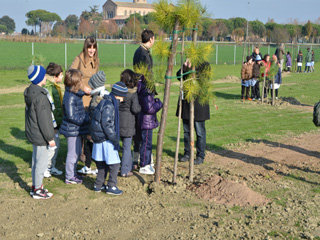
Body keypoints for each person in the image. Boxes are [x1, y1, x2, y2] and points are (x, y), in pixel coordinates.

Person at [91, 82, 128, 195]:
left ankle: (98, 184)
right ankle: (111, 186)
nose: (122, 100)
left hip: (99, 137)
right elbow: (107, 125)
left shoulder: (106, 101)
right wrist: (114, 139)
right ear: (118, 95)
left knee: (102, 163)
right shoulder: (109, 105)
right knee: (115, 164)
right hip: (106, 139)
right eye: (122, 97)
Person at [25, 65, 55, 199]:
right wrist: (50, 138)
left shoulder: (30, 92)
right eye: (43, 75)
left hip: (34, 133)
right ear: (39, 78)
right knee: (41, 163)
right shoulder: (41, 97)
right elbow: (44, 120)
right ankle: (37, 190)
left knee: (35, 162)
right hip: (41, 135)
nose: (45, 77)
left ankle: (36, 186)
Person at [70, 37, 99, 164]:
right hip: (81, 97)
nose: (91, 50)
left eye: (94, 47)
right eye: (89, 47)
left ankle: (89, 152)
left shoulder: (96, 60)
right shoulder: (79, 59)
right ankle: (80, 152)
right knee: (81, 126)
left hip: (93, 97)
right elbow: (70, 75)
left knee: (91, 126)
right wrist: (82, 87)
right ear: (85, 47)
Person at [176, 60, 211, 165]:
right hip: (186, 104)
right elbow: (179, 76)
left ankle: (200, 155)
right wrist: (185, 68)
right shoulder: (187, 65)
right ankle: (187, 153)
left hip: (199, 105)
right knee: (186, 132)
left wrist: (194, 72)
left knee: (200, 132)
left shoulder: (204, 64)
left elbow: (205, 80)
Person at [59, 69, 90, 184]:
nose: (82, 82)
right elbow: (72, 117)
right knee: (72, 154)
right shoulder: (70, 97)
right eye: (80, 80)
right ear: (75, 82)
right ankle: (69, 176)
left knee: (77, 152)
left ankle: (73, 173)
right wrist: (86, 118)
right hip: (71, 130)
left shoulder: (74, 93)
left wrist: (85, 93)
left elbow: (78, 94)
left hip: (75, 130)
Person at [78, 71, 109, 175]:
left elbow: (93, 117)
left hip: (95, 131)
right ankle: (91, 166)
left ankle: (92, 167)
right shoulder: (105, 95)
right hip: (103, 130)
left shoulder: (96, 100)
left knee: (90, 147)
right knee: (93, 148)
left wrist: (90, 133)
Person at [132, 29, 155, 168]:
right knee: (144, 127)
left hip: (140, 90)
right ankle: (144, 161)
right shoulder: (143, 54)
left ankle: (136, 158)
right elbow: (145, 76)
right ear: (151, 39)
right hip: (144, 92)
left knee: (138, 128)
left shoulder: (138, 51)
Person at [137, 75, 163, 174]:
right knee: (146, 143)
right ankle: (144, 165)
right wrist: (159, 103)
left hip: (144, 120)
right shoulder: (147, 93)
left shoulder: (141, 89)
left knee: (145, 142)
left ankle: (146, 162)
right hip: (147, 122)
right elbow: (149, 108)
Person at [42, 62, 64, 178]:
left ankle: (52, 166)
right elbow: (51, 108)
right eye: (61, 75)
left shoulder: (55, 86)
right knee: (51, 147)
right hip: (52, 124)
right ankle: (46, 167)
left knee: (56, 146)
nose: (62, 77)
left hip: (56, 123)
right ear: (55, 76)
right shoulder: (50, 88)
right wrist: (54, 125)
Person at [119, 69, 141, 177]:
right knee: (127, 148)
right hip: (128, 124)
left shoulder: (118, 91)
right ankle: (125, 170)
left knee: (119, 147)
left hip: (118, 122)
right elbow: (135, 109)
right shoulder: (133, 94)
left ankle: (119, 166)